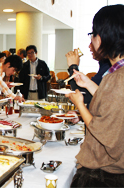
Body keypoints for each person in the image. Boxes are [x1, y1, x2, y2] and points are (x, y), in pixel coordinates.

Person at [66, 5, 124, 187]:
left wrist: (80, 105)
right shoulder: (116, 74)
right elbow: (113, 106)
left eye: (93, 33)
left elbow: (104, 131)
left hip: (104, 174)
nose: (92, 39)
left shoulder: (117, 79)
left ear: (103, 36)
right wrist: (88, 84)